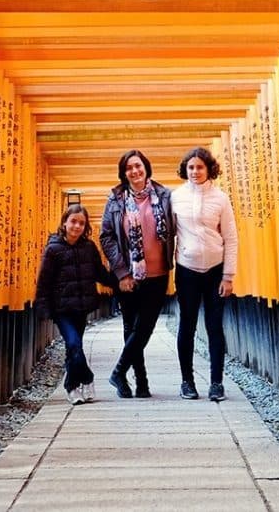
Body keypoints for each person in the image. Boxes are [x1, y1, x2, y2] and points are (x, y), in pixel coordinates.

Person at [100, 149, 175, 398]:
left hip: (158, 274)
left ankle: (119, 371)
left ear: (146, 168)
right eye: (129, 168)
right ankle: (138, 383)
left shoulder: (164, 196)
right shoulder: (115, 200)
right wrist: (122, 272)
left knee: (144, 327)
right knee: (131, 326)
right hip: (128, 277)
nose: (135, 171)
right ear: (124, 173)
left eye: (138, 166)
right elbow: (107, 237)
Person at [171, 147, 238, 402]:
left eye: (199, 167)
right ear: (185, 170)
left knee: (214, 327)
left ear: (209, 169)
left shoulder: (220, 198)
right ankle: (187, 381)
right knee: (186, 325)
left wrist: (228, 275)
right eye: (190, 167)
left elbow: (231, 238)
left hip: (215, 270)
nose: (195, 172)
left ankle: (217, 382)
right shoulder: (175, 197)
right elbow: (168, 233)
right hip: (187, 270)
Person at [34, 205, 118, 405]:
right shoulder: (53, 249)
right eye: (73, 221)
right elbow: (44, 280)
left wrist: (120, 281)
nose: (77, 226)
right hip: (61, 308)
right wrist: (42, 307)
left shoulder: (89, 247)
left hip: (82, 306)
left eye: (81, 223)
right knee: (73, 343)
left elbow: (100, 272)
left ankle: (73, 385)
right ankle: (84, 380)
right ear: (64, 222)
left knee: (75, 347)